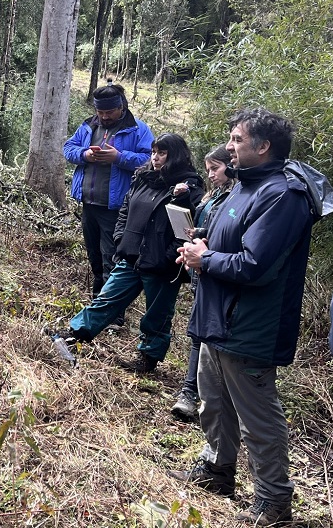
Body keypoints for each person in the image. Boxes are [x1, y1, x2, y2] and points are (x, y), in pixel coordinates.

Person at [170, 109, 314, 527]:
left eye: (236, 139)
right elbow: (231, 241)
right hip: (217, 316)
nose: (229, 146)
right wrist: (203, 244)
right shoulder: (243, 186)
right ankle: (217, 472)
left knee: (258, 417)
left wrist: (207, 257)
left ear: (263, 146)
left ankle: (273, 503)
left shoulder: (283, 195)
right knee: (213, 402)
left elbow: (255, 265)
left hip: (251, 324)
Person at [58, 134, 204, 373]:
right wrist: (120, 238)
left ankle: (148, 358)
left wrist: (168, 255)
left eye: (162, 153)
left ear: (175, 155)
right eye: (154, 152)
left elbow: (189, 225)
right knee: (108, 297)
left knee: (157, 313)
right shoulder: (143, 176)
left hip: (163, 262)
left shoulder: (188, 185)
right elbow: (126, 207)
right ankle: (74, 335)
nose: (156, 158)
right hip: (132, 254)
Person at [63, 82, 153, 307]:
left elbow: (150, 160)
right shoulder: (88, 126)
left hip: (116, 208)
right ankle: (98, 304)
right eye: (100, 111)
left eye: (109, 112)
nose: (104, 116)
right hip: (89, 203)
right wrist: (85, 154)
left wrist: (119, 157)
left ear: (121, 107)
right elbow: (68, 148)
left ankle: (112, 311)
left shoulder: (138, 129)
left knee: (112, 258)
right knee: (94, 255)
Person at [171, 145, 234, 421]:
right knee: (198, 332)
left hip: (217, 270)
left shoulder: (236, 196)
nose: (210, 175)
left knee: (205, 335)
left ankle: (192, 393)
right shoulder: (214, 195)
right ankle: (193, 392)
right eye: (207, 169)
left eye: (215, 169)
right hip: (202, 269)